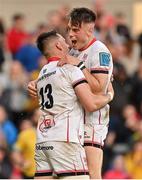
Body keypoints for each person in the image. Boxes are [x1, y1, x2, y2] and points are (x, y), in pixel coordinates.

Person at [28, 7, 113, 179]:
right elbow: (58, 72)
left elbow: (98, 88)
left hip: (92, 122)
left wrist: (79, 65)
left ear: (89, 29)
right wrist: (37, 82)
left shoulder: (99, 51)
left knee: (91, 174)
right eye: (69, 30)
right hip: (73, 124)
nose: (71, 35)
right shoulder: (72, 51)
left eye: (75, 29)